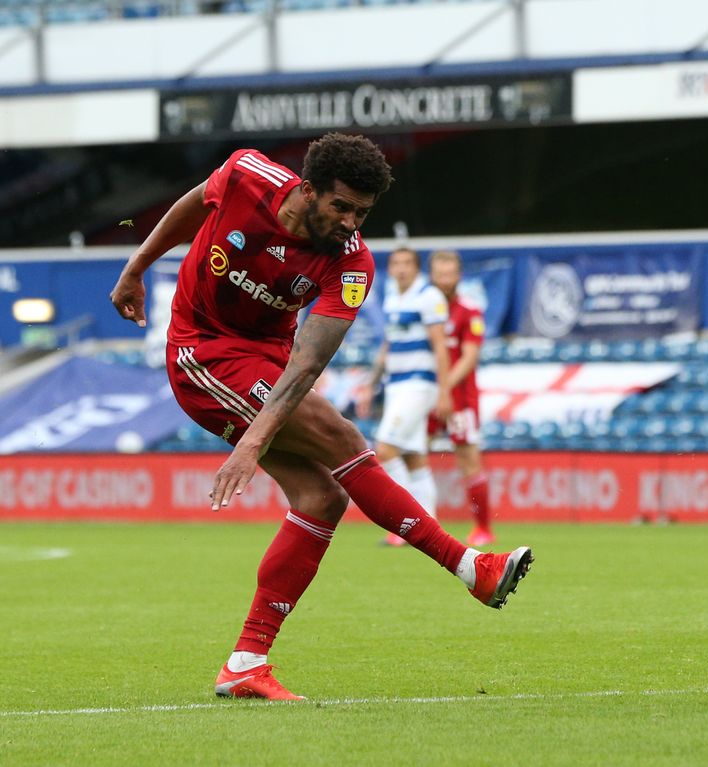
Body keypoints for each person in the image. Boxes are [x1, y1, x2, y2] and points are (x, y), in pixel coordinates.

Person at [109, 133, 533, 701]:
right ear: (307, 190)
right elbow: (194, 203)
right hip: (202, 352)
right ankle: (468, 567)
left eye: (363, 211)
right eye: (342, 207)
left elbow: (307, 363)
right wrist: (137, 265)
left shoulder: (353, 263)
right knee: (343, 437)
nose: (351, 221)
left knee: (321, 498)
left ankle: (246, 662)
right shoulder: (246, 176)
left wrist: (253, 441)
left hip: (270, 364)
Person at [361, 247, 451, 546]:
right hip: (396, 384)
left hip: (419, 384)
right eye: (396, 263)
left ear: (416, 267)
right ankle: (430, 526)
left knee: (385, 449)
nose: (400, 269)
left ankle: (403, 525)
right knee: (414, 459)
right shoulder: (392, 294)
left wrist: (445, 390)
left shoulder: (428, 296)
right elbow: (389, 342)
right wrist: (371, 382)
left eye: (406, 264)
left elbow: (440, 346)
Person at [426, 250, 493, 547]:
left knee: (469, 460)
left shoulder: (469, 310)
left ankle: (482, 527)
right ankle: (409, 525)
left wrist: (445, 387)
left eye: (450, 273)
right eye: (440, 274)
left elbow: (470, 358)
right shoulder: (422, 309)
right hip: (424, 395)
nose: (445, 280)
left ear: (459, 276)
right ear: (431, 276)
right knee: (408, 455)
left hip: (460, 399)